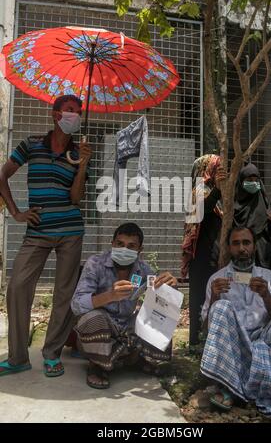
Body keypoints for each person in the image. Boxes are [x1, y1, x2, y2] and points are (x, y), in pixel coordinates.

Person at [0, 95, 92, 378]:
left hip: (70, 231)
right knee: (17, 287)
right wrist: (16, 213)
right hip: (37, 231)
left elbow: (76, 199)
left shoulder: (79, 151)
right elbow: (2, 175)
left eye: (78, 112)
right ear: (55, 114)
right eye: (69, 111)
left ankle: (52, 353)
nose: (74, 116)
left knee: (64, 293)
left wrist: (83, 164)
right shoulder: (31, 144)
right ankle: (18, 357)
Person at [200, 226, 271, 415]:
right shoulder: (217, 279)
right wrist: (214, 297)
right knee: (221, 307)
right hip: (233, 347)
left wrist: (266, 296)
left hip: (264, 341)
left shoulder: (266, 277)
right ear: (229, 248)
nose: (241, 248)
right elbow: (206, 330)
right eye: (236, 243)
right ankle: (229, 386)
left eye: (246, 242)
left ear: (254, 246)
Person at [71, 222, 177, 389]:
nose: (124, 249)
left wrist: (169, 288)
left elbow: (161, 305)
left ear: (139, 250)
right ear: (112, 244)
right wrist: (109, 296)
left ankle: (129, 357)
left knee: (159, 315)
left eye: (131, 246)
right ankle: (98, 366)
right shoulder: (95, 264)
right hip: (102, 328)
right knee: (93, 319)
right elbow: (76, 305)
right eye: (120, 244)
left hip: (127, 328)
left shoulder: (144, 270)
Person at [181, 154, 226, 349]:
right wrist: (217, 189)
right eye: (216, 168)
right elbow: (202, 210)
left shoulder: (221, 193)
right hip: (201, 254)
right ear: (206, 170)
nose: (220, 172)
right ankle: (196, 342)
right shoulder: (198, 190)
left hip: (218, 253)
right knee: (199, 295)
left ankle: (214, 339)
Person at [233, 163, 271, 275]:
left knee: (261, 286)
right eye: (249, 179)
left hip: (262, 255)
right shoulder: (232, 204)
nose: (253, 182)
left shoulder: (264, 201)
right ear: (241, 181)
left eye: (256, 179)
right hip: (241, 255)